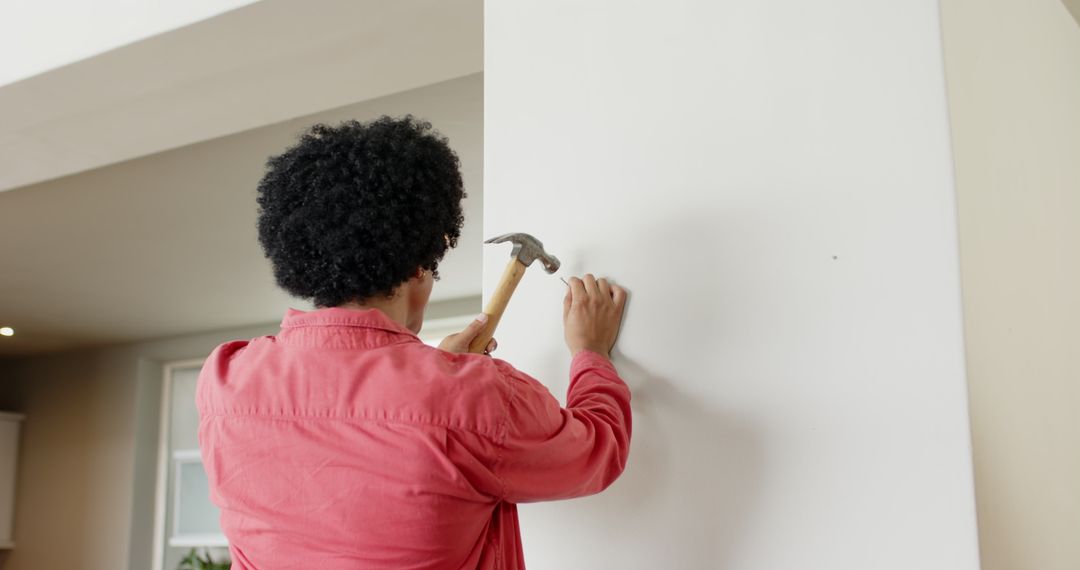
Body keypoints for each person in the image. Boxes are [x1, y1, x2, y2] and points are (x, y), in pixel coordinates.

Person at [196, 116, 631, 569]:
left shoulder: (226, 378)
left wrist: (440, 378)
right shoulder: (476, 397)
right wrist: (591, 352)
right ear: (420, 266)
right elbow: (596, 452)